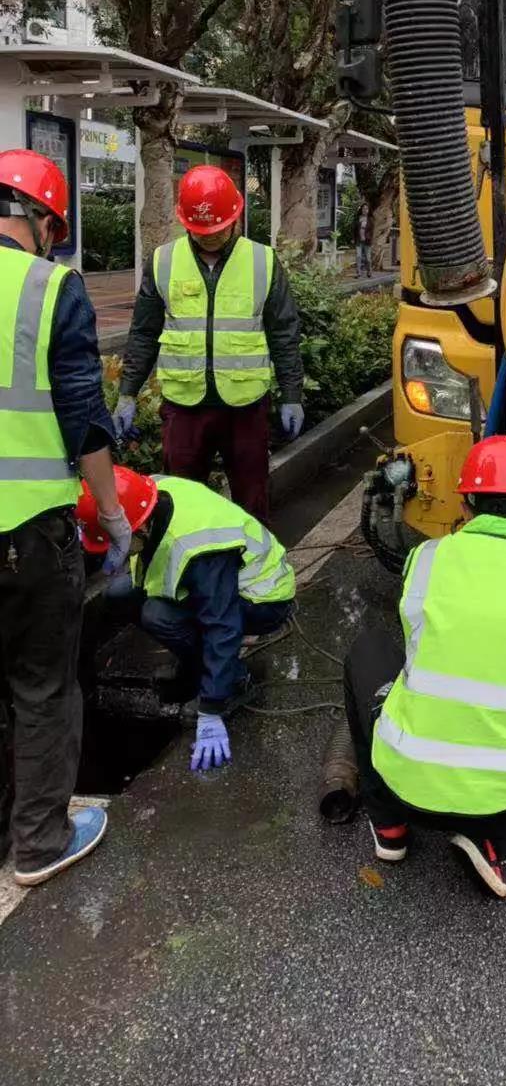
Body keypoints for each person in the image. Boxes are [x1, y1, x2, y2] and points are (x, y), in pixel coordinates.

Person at [343, 436, 506, 899]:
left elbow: (413, 632)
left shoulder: (424, 560)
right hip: (501, 797)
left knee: (369, 651)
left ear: (464, 506)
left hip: (405, 781)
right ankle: (492, 839)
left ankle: (390, 826)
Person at [0, 149, 129, 887]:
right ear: (45, 221)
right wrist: (112, 517)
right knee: (42, 687)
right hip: (27, 531)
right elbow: (83, 421)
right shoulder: (51, 288)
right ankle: (40, 841)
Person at [113, 165, 303, 526]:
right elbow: (143, 333)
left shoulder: (263, 261)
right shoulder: (163, 261)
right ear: (186, 223)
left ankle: (252, 572)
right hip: (185, 408)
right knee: (182, 503)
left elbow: (284, 333)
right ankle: (188, 573)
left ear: (235, 216)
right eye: (201, 231)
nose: (210, 237)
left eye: (216, 229)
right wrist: (127, 393)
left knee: (252, 501)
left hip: (246, 408)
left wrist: (291, 394)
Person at [77, 466, 296, 771]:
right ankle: (197, 666)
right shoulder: (146, 494)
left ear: (137, 529)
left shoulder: (199, 548)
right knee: (119, 594)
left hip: (262, 600)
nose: (113, 551)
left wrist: (211, 709)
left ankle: (233, 681)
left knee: (158, 615)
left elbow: (222, 625)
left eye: (115, 542)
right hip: (216, 581)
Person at [355, 202, 373, 278]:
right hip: (359, 241)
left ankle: (369, 272)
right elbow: (354, 229)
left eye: (366, 209)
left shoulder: (370, 219)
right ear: (361, 210)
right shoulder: (357, 218)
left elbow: (372, 231)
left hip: (367, 241)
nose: (365, 210)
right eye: (363, 208)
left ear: (368, 210)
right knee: (358, 256)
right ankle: (358, 273)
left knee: (368, 258)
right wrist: (353, 238)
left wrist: (370, 238)